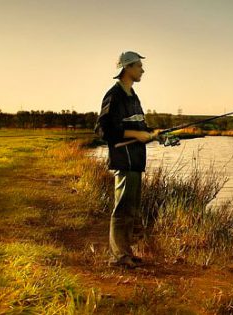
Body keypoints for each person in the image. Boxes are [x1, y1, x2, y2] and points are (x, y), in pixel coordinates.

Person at [95, 51, 158, 268]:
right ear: (127, 68)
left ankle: (126, 253)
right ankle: (118, 257)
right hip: (123, 161)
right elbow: (103, 130)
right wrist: (134, 135)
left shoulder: (133, 96)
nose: (142, 70)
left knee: (132, 209)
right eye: (139, 66)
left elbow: (138, 127)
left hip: (136, 161)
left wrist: (151, 134)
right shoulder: (114, 95)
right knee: (121, 209)